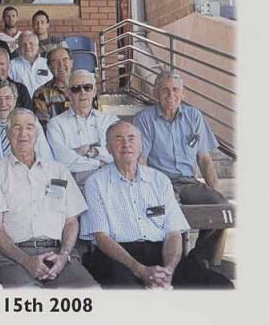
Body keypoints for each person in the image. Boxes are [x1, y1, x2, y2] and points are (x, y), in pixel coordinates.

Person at [80, 121, 232, 289]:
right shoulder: (96, 183)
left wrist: (168, 272)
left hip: (161, 254)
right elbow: (102, 238)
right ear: (108, 147)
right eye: (118, 139)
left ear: (140, 146)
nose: (126, 145)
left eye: (132, 139)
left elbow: (173, 232)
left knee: (221, 285)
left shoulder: (159, 180)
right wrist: (141, 270)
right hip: (118, 258)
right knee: (129, 293)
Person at [0, 108, 97, 288]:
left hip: (57, 253)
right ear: (7, 133)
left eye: (29, 127)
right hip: (12, 257)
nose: (23, 134)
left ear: (37, 133)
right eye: (17, 128)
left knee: (90, 292)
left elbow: (71, 222)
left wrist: (64, 255)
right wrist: (26, 260)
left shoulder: (58, 171)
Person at [133, 70, 230, 266]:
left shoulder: (193, 116)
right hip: (160, 182)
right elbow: (141, 161)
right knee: (171, 214)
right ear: (156, 93)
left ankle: (202, 259)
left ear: (183, 93)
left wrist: (216, 192)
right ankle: (174, 262)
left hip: (188, 183)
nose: (171, 96)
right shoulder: (144, 119)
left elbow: (204, 159)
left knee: (221, 208)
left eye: (175, 90)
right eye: (165, 90)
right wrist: (145, 190)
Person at [46, 69, 118, 185]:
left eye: (87, 87)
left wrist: (91, 151)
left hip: (110, 184)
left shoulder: (110, 121)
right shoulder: (55, 124)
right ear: (68, 94)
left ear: (94, 91)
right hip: (74, 186)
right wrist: (100, 163)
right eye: (76, 89)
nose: (82, 92)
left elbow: (117, 154)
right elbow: (64, 162)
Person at [0, 79, 51, 173]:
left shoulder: (32, 123)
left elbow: (46, 160)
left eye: (8, 98)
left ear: (15, 100)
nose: (3, 104)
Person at [33, 45, 74, 126]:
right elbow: (44, 127)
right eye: (55, 61)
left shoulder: (85, 88)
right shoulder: (41, 95)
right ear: (49, 67)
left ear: (71, 63)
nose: (61, 64)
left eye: (65, 59)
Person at [8, 32, 53, 97]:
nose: (27, 46)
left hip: (46, 104)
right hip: (22, 105)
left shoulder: (48, 63)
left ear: (37, 46)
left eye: (31, 43)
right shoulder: (11, 65)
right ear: (19, 48)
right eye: (24, 44)